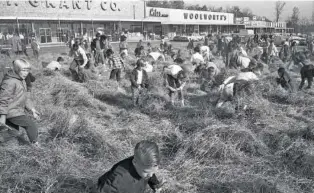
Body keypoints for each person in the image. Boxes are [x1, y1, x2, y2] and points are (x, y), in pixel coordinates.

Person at [97, 140, 164, 193]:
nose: (151, 175)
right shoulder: (117, 179)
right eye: (146, 172)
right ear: (134, 162)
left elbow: (150, 173)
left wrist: (155, 185)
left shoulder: (145, 166)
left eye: (153, 172)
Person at [0, 59, 40, 145]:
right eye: (23, 70)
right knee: (31, 125)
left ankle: (2, 141)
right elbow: (3, 100)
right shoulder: (10, 82)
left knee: (13, 132)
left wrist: (32, 109)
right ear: (16, 70)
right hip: (11, 112)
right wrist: (2, 117)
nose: (26, 73)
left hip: (15, 111)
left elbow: (24, 97)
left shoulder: (21, 81)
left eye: (27, 70)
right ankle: (35, 145)